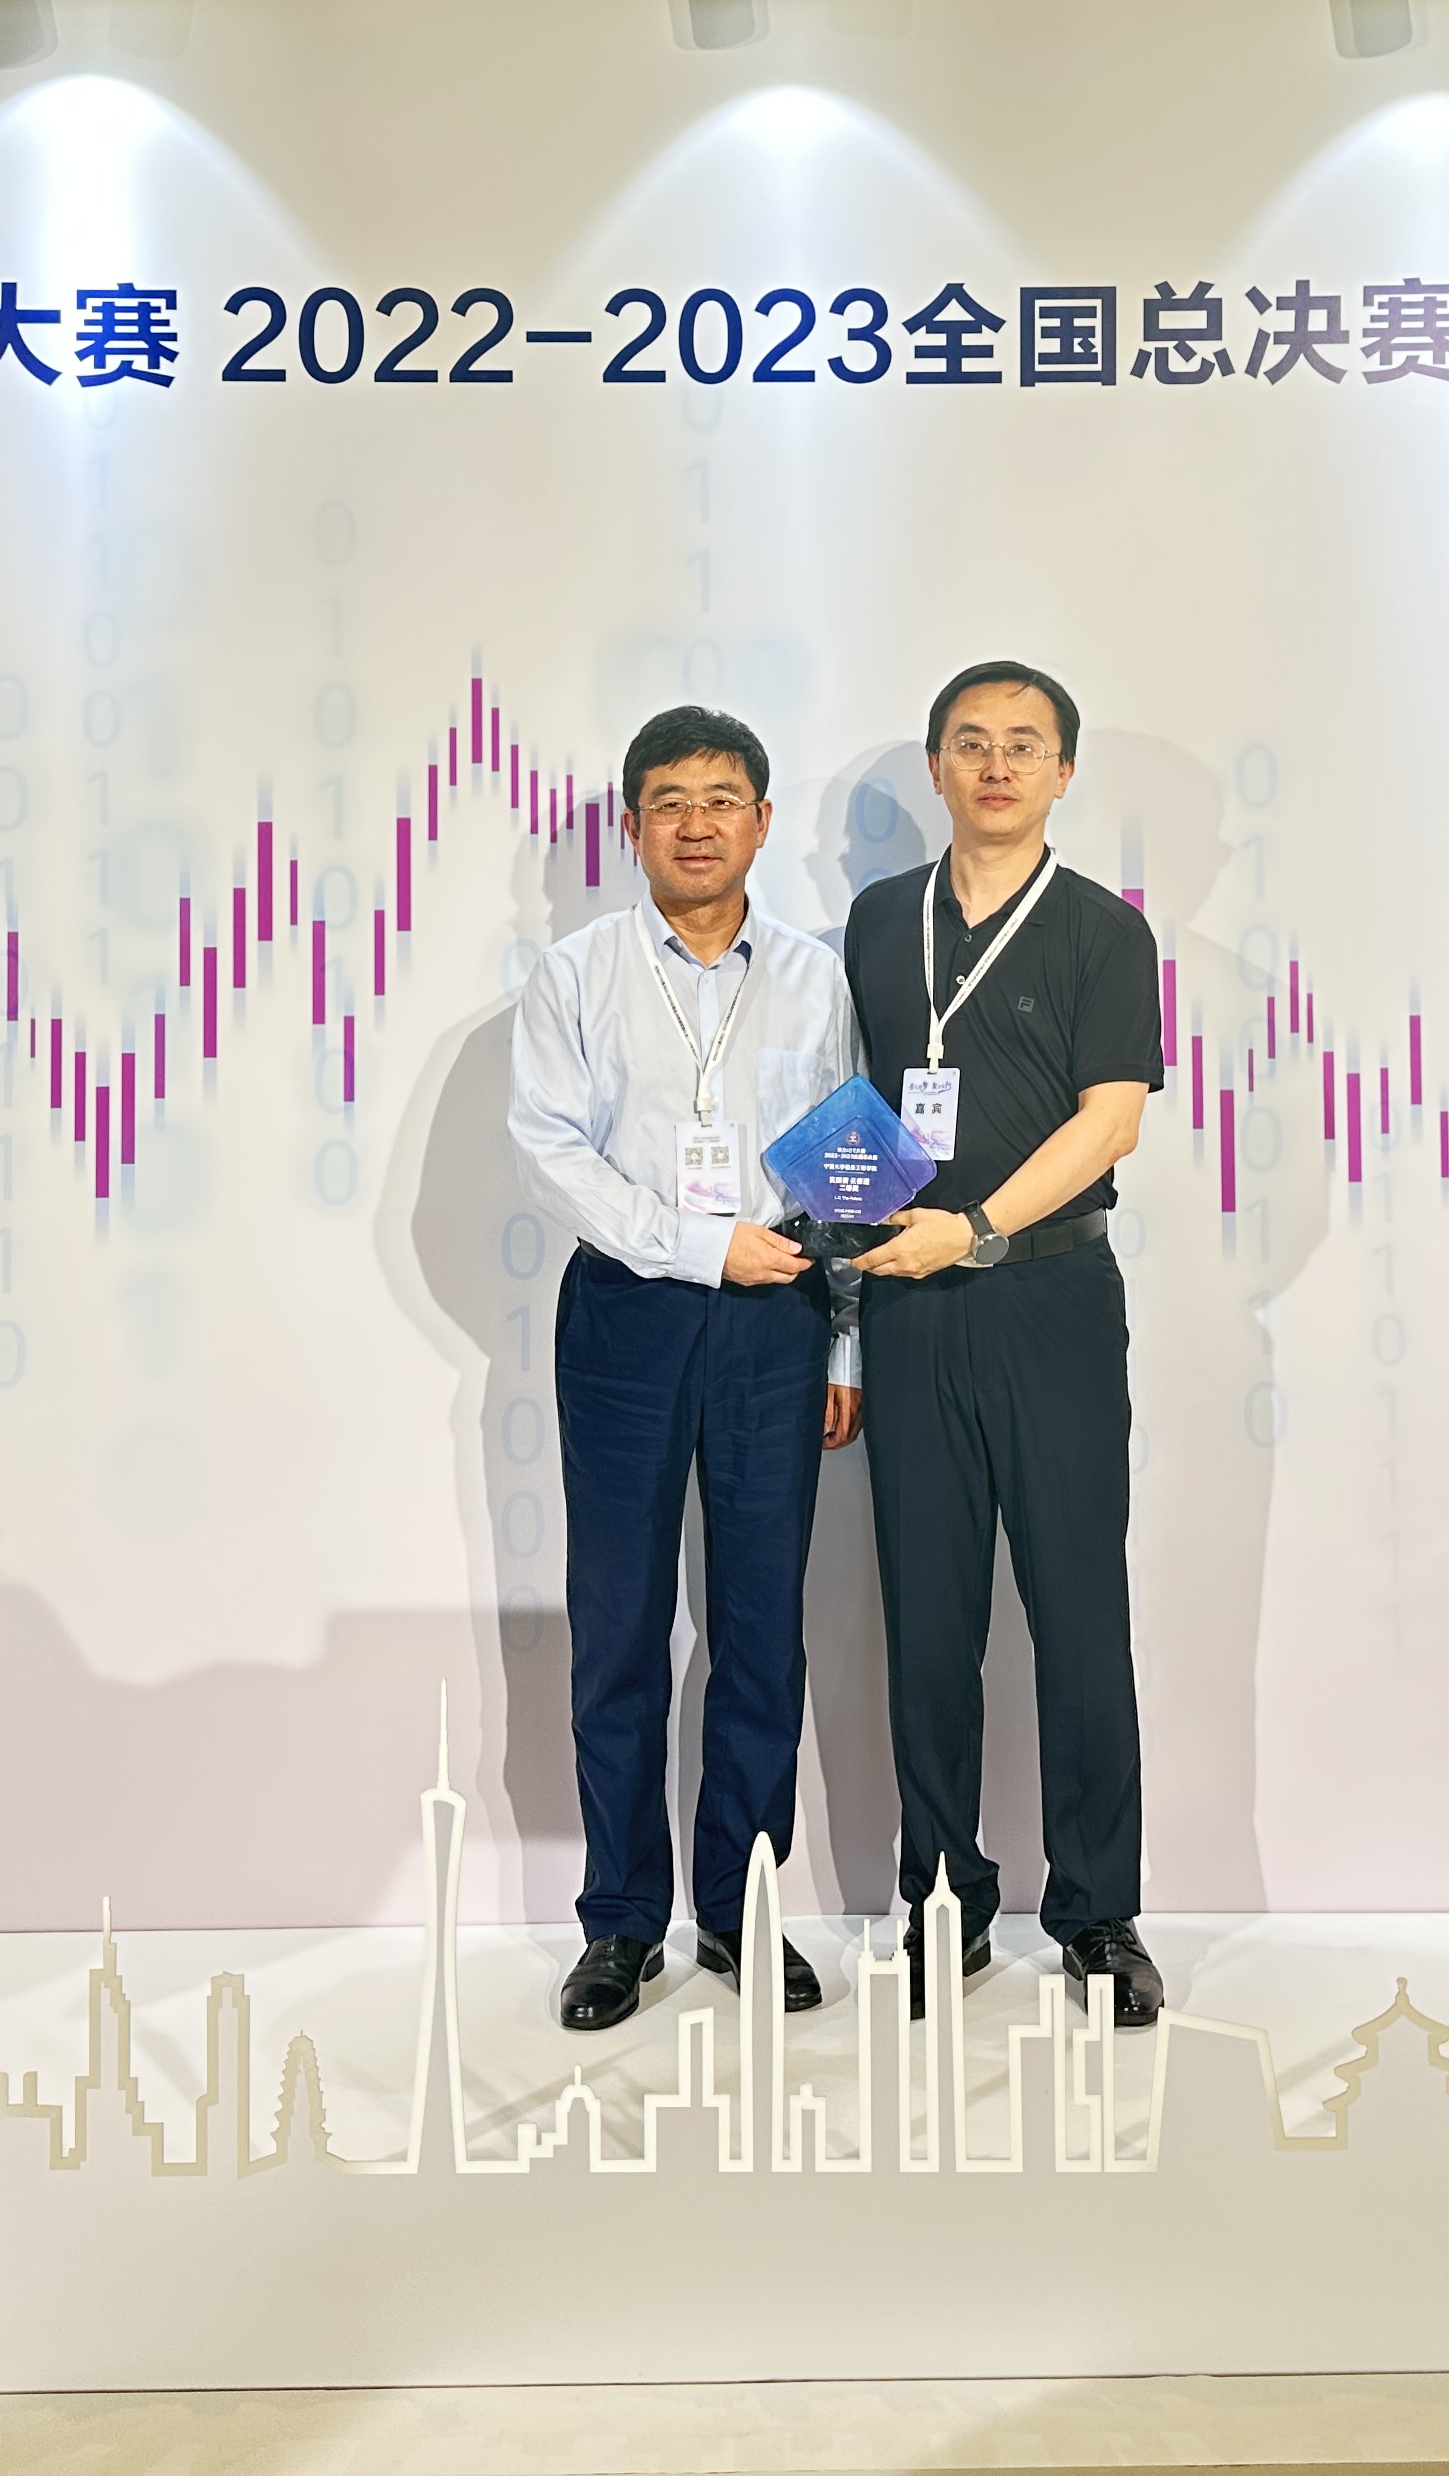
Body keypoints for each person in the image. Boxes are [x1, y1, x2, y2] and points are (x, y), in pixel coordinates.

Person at [507, 706, 867, 2033]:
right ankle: (619, 1922)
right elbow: (552, 1151)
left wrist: (843, 1335)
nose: (697, 824)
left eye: (723, 800)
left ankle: (743, 1911)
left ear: (763, 822)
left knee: (761, 1629)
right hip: (629, 1316)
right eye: (670, 801)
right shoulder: (576, 973)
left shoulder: (820, 979)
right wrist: (699, 1245)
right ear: (632, 826)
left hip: (779, 1319)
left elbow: (845, 1170)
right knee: (619, 1627)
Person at [844, 661, 1168, 2025]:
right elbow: (859, 1108)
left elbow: (1111, 1122)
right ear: (936, 768)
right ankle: (942, 1903)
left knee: (1078, 1611)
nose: (995, 764)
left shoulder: (1104, 932)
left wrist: (972, 1229)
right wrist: (850, 1316)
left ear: (1063, 773)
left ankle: (1098, 1913)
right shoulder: (878, 920)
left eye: (1024, 745)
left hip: (1050, 1302)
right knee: (928, 1615)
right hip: (908, 1310)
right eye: (970, 742)